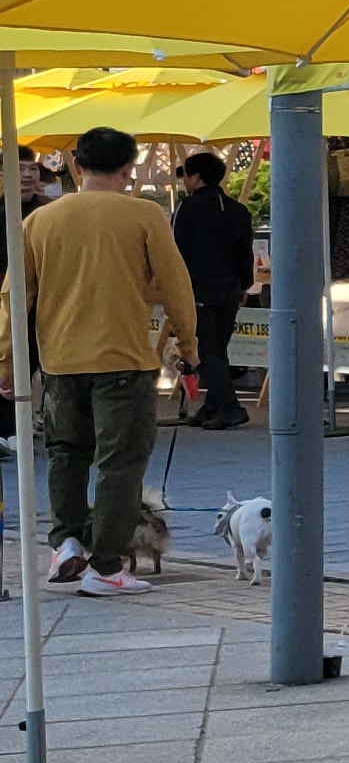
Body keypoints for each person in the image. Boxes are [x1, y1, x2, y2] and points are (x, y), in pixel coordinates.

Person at [19, 128, 197, 599]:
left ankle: (65, 541)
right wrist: (189, 346)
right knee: (120, 464)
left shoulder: (40, 220)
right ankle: (106, 566)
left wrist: (6, 360)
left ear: (77, 166)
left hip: (59, 361)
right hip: (124, 360)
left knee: (65, 454)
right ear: (129, 168)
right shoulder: (144, 215)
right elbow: (176, 286)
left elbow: (15, 296)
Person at [171, 152, 254, 430]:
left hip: (198, 288)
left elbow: (175, 251)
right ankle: (213, 405)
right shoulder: (237, 209)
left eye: (185, 175)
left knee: (204, 351)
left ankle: (230, 407)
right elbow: (245, 251)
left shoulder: (187, 208)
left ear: (196, 178)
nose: (184, 181)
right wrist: (245, 283)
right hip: (230, 288)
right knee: (218, 348)